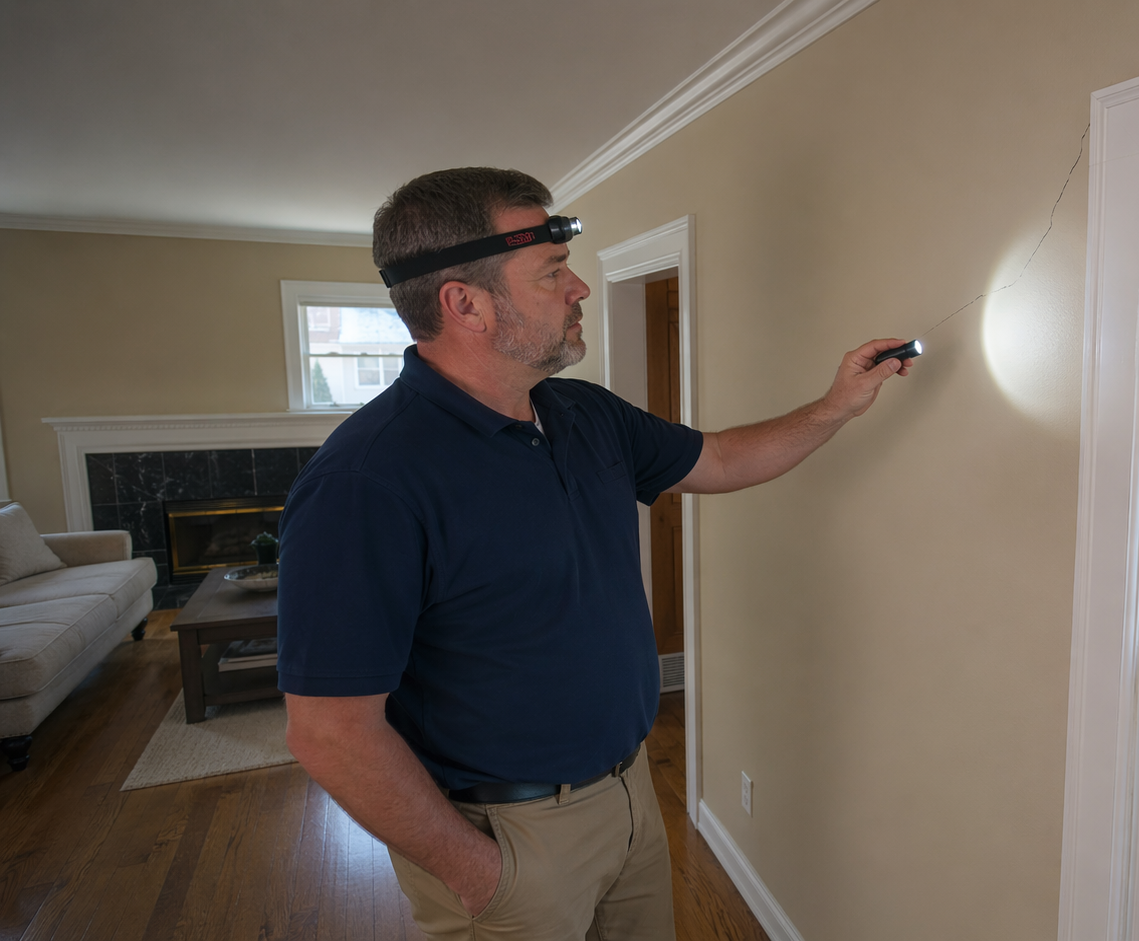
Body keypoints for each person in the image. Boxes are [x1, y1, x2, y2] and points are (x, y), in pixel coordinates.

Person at [276, 167, 912, 941]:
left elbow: (717, 460)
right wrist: (480, 874)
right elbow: (330, 732)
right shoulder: (367, 481)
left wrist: (836, 404)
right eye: (551, 272)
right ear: (464, 303)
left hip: (631, 795)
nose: (578, 287)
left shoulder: (581, 411)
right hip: (506, 839)